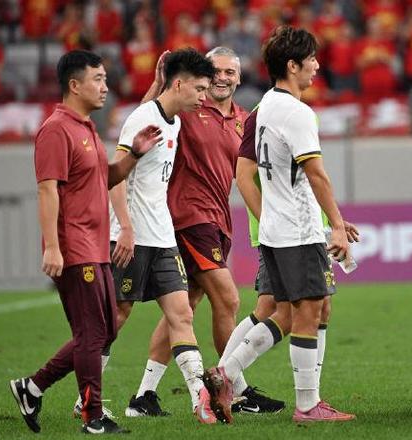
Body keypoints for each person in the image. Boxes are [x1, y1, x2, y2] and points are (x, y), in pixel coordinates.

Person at [116, 47, 285, 418]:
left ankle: (144, 396)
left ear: (239, 78)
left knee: (184, 308)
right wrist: (157, 84)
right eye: (216, 71)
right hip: (189, 218)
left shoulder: (244, 120)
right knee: (228, 299)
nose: (222, 78)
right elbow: (148, 119)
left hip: (219, 221)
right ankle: (233, 387)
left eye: (229, 72)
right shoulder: (191, 107)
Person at [204, 25, 359, 424]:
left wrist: (327, 220)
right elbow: (316, 174)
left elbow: (259, 173)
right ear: (292, 65)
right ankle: (308, 405)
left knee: (292, 312)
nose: (317, 66)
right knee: (308, 310)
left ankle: (225, 374)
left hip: (276, 229)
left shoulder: (263, 109)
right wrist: (335, 225)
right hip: (298, 229)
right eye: (311, 60)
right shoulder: (297, 113)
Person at [8, 50, 163, 435]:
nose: (105, 86)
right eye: (98, 79)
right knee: (93, 334)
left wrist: (134, 155)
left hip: (97, 246)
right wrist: (52, 245)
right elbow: (47, 189)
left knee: (105, 330)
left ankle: (32, 387)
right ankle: (93, 417)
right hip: (75, 248)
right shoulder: (55, 130)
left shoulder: (87, 128)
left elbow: (105, 178)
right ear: (75, 85)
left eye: (105, 78)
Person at [102, 48, 228, 424]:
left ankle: (199, 398)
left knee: (181, 313)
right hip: (132, 236)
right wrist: (125, 228)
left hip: (162, 236)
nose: (204, 96)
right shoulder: (142, 119)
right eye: (200, 89)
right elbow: (116, 177)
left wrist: (157, 84)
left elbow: (155, 110)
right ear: (178, 85)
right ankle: (85, 396)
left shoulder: (172, 120)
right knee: (117, 315)